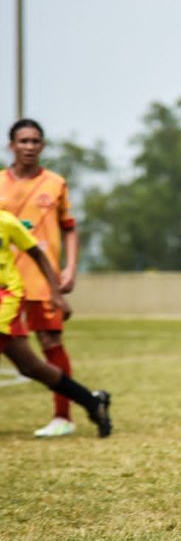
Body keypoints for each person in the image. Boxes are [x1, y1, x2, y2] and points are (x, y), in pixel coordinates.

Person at [0, 119, 81, 437]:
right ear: (12, 145)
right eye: (23, 141)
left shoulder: (55, 183)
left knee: (50, 342)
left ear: (43, 146)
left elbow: (70, 228)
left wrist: (70, 267)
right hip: (5, 282)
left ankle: (63, 417)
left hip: (40, 278)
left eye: (35, 141)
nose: (29, 147)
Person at [0, 208, 111, 438]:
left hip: (6, 296)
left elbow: (38, 255)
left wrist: (56, 294)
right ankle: (92, 402)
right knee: (31, 366)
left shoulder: (6, 221)